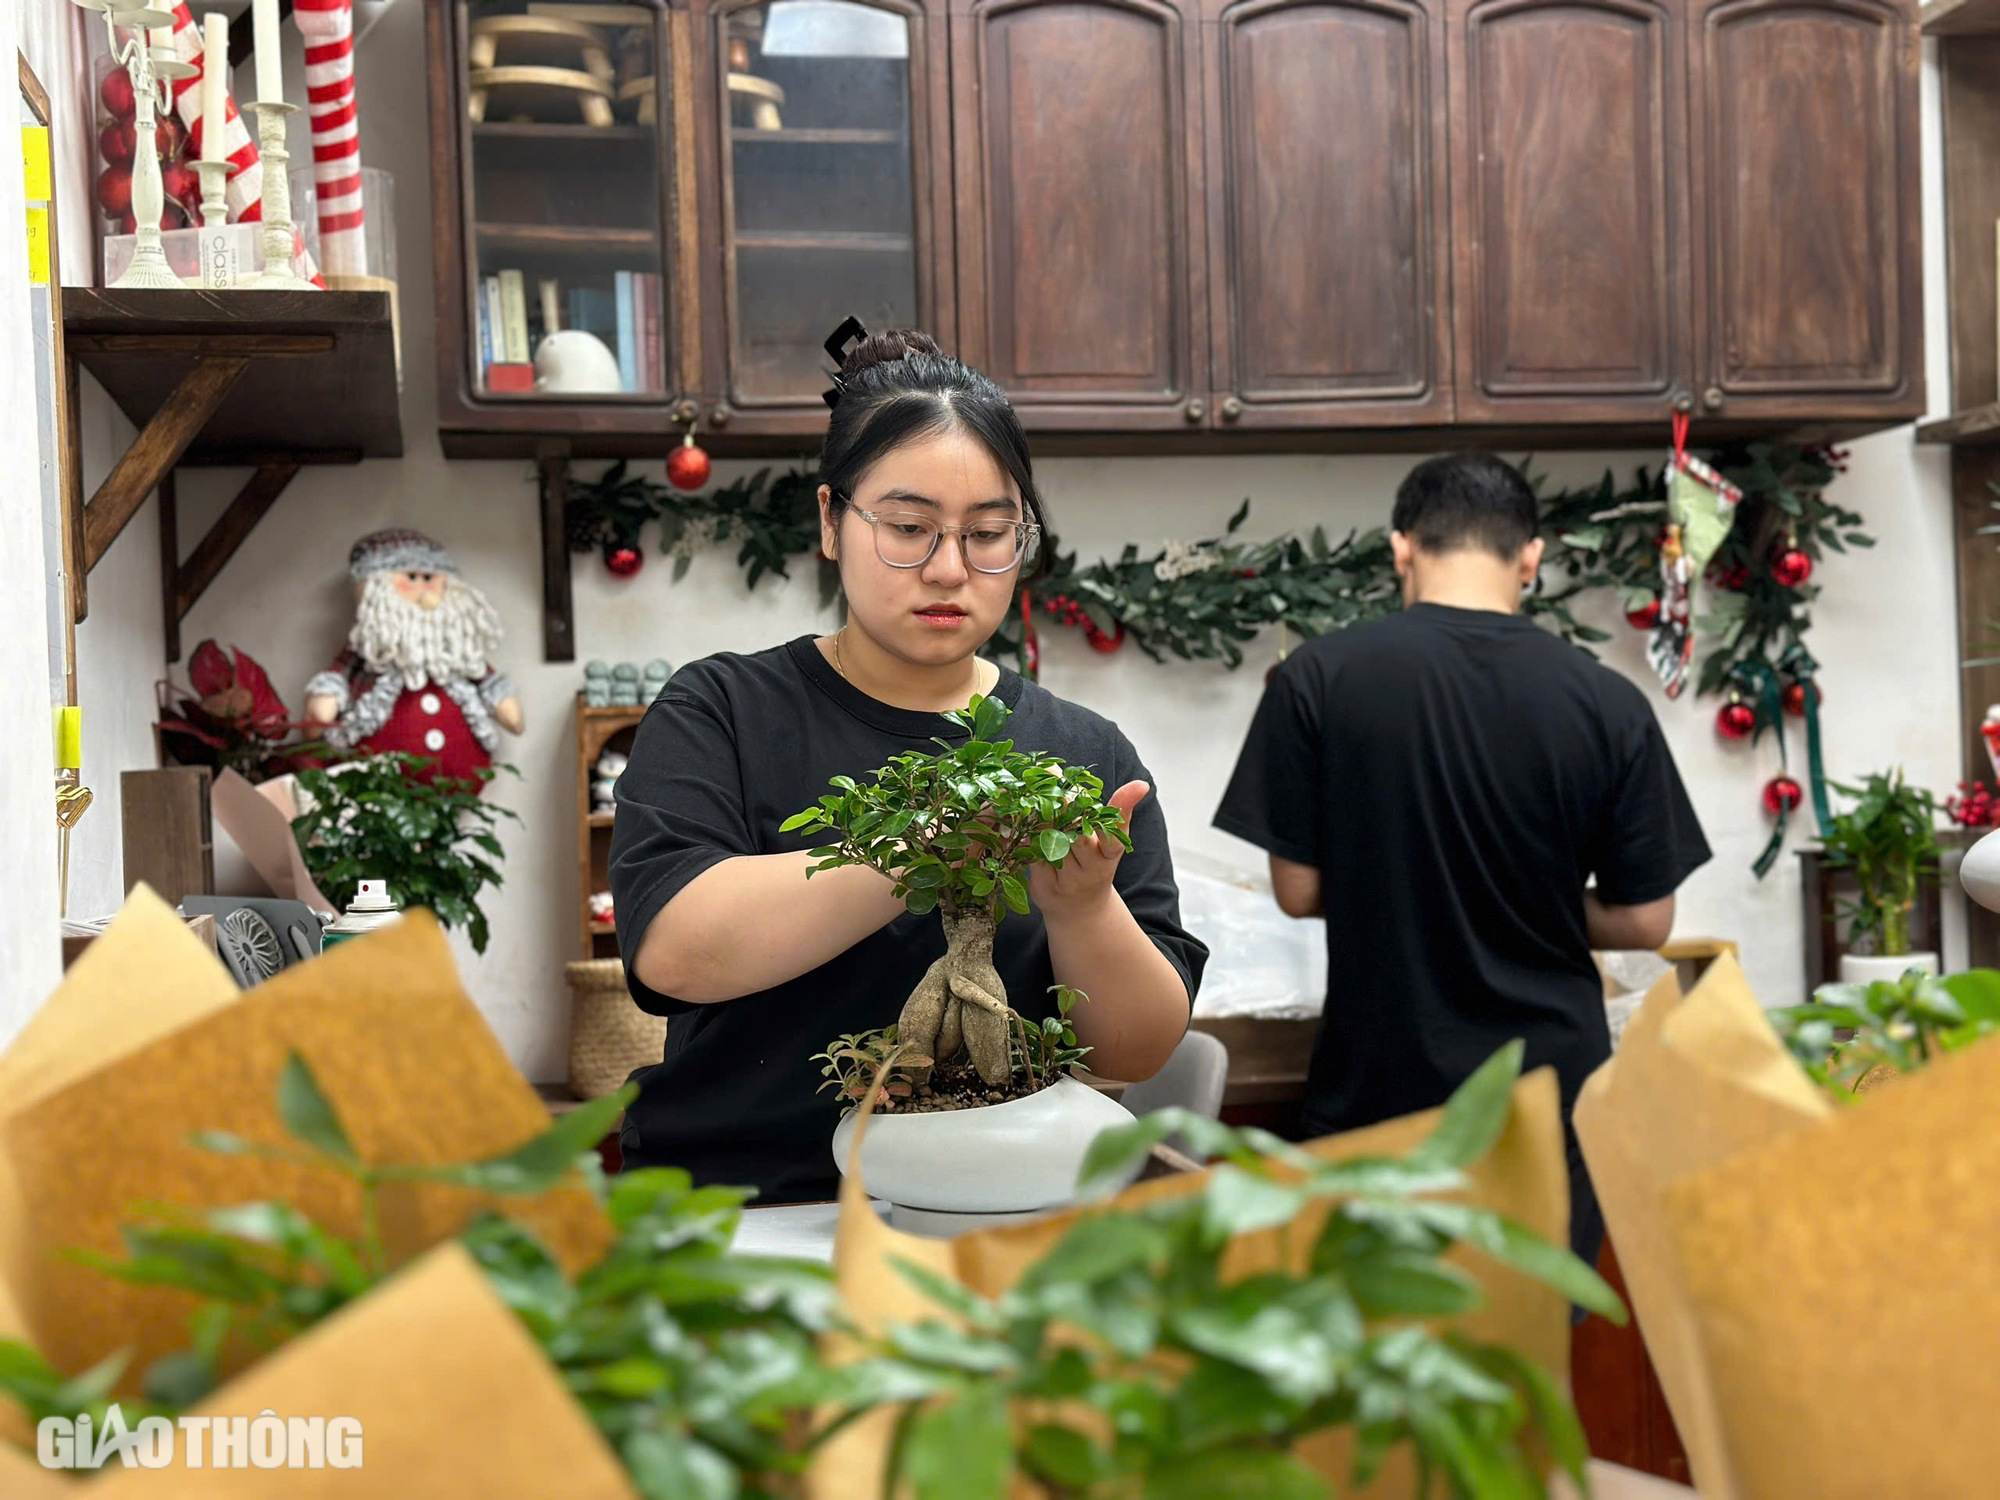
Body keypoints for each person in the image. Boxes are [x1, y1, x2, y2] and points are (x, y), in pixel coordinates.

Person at [609, 324, 1207, 1200]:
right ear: (829, 521)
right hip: (742, 1209)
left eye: (989, 534)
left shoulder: (1084, 754)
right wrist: (927, 851)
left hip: (996, 1212)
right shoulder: (723, 711)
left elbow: (1136, 1050)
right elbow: (674, 951)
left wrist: (1083, 909)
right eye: (908, 528)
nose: (949, 570)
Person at [1212, 451, 1710, 1268]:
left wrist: (1402, 885)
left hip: (1381, 1092)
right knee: (1527, 1355)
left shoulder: (1317, 680)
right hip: (1550, 1098)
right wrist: (1532, 897)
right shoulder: (1606, 700)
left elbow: (1297, 891)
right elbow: (1647, 918)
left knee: (1389, 1357)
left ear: (1402, 549)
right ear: (1531, 557)